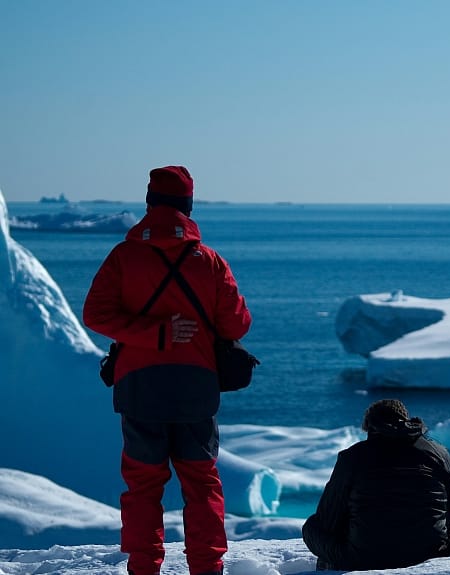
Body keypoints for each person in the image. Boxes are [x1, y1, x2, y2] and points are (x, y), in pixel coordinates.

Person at [83, 166, 253, 575]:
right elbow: (237, 325)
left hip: (139, 386)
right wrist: (180, 328)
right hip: (195, 387)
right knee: (201, 483)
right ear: (188, 206)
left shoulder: (124, 257)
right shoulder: (209, 261)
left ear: (149, 205)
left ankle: (144, 568)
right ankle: (207, 568)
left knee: (143, 486)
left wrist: (153, 333)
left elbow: (96, 315)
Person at [303, 399, 450, 571]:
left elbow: (327, 519)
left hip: (363, 558)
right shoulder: (439, 453)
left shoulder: (352, 457)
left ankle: (330, 569)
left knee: (312, 528)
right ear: (407, 421)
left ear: (369, 426)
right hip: (429, 554)